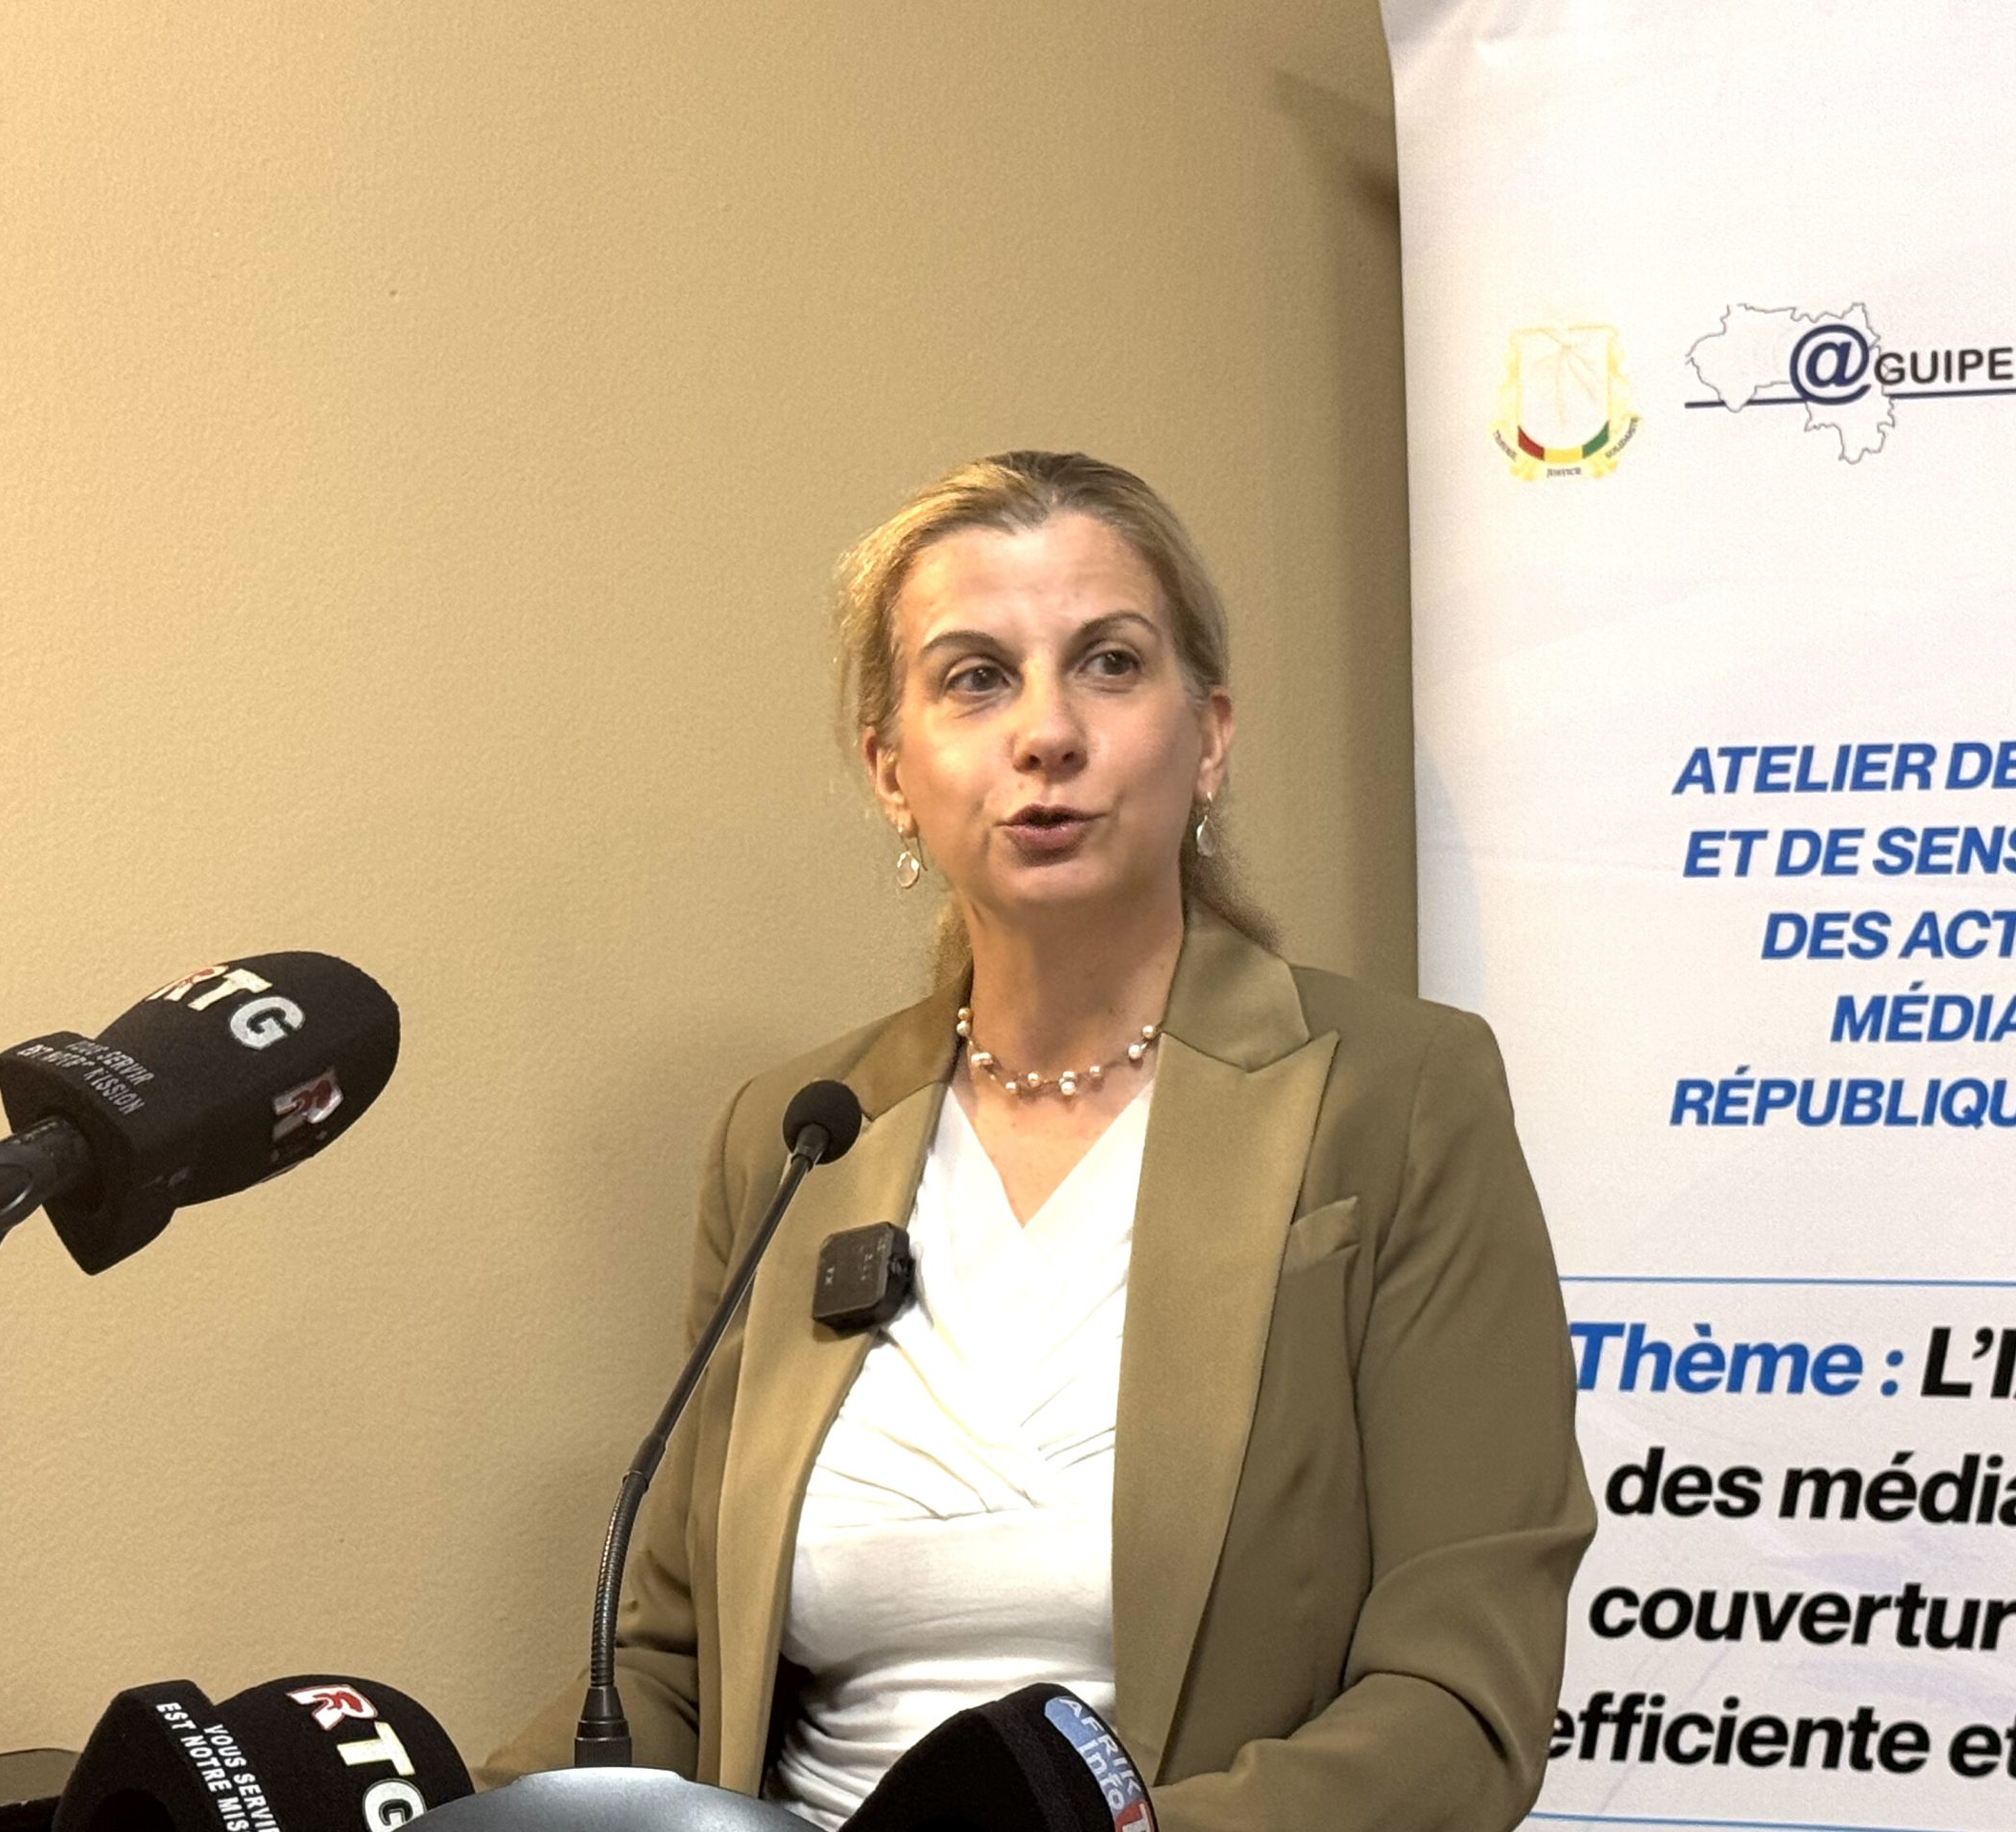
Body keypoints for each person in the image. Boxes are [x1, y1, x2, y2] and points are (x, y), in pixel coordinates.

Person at [483, 451, 1593, 1830]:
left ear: (1210, 736)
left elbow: (1462, 1701)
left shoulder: (1400, 1097)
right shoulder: (800, 1135)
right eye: (975, 678)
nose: (1046, 733)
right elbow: (671, 1669)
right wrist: (450, 1816)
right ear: (891, 770)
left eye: (1109, 665)